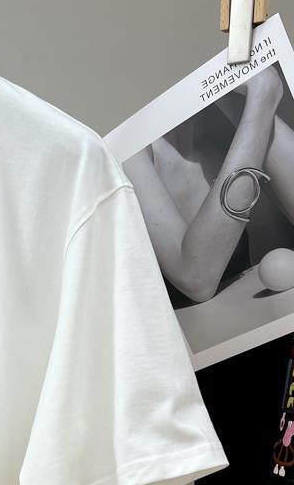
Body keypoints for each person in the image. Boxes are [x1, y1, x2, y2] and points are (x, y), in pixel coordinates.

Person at [124, 65, 294, 307]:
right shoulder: (129, 151)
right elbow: (197, 281)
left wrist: (233, 95)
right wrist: (261, 98)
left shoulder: (219, 120)